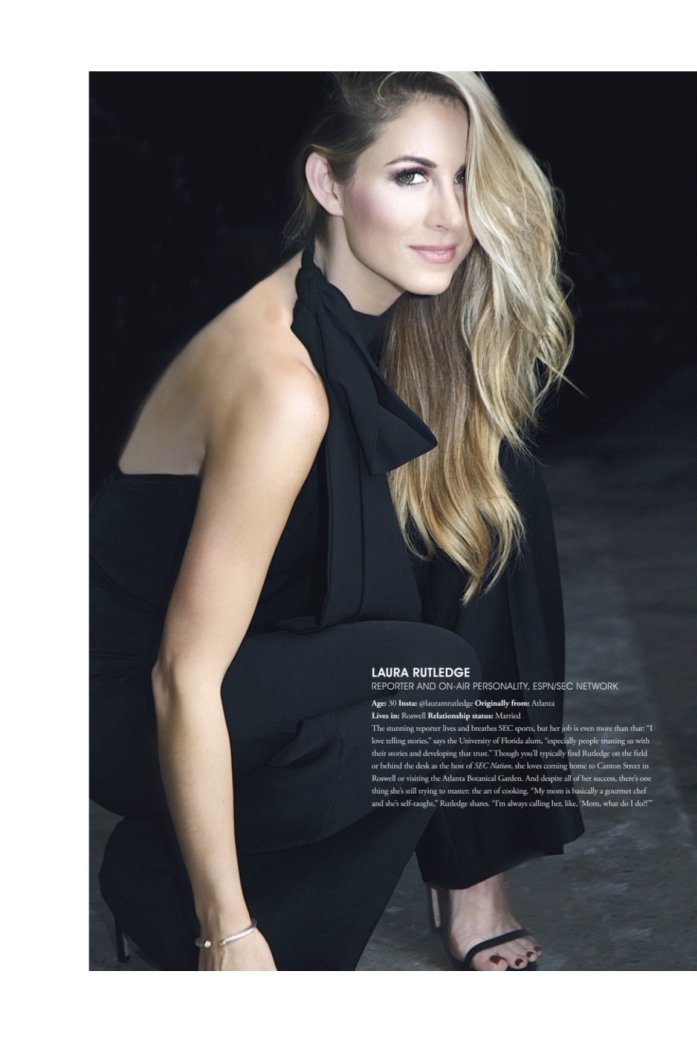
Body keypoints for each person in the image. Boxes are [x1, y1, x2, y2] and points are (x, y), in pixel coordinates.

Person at [90, 71, 584, 972]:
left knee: (490, 480)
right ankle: (171, 892)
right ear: (327, 182)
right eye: (410, 176)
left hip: (259, 642)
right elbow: (179, 674)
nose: (450, 216)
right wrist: (225, 929)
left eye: (464, 178)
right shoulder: (280, 380)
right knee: (428, 691)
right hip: (129, 696)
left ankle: (469, 870)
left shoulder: (379, 324)